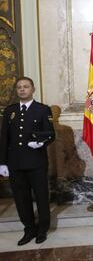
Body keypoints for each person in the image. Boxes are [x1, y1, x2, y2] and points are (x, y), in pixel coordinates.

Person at [0, 77, 55, 245]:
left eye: (26, 87)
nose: (22, 89)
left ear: (33, 89)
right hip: (15, 164)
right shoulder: (10, 111)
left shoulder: (42, 109)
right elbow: (4, 138)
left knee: (41, 197)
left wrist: (40, 142)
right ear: (16, 90)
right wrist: (2, 162)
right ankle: (29, 229)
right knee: (21, 199)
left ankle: (42, 229)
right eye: (19, 87)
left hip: (36, 162)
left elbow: (51, 134)